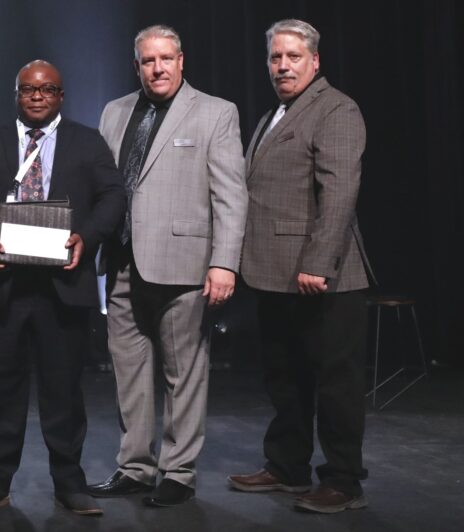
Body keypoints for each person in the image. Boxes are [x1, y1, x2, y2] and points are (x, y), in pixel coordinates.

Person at [0, 60, 125, 516]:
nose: (36, 96)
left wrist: (87, 237)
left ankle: (69, 483)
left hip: (63, 286)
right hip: (2, 286)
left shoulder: (87, 142)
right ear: (16, 94)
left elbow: (113, 195)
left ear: (61, 96)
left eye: (47, 89)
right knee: (0, 392)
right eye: (28, 89)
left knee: (64, 392)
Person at [87, 24, 247, 507]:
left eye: (166, 59)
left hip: (184, 265)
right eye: (147, 61)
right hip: (121, 262)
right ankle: (135, 466)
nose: (157, 68)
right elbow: (101, 185)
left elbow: (231, 195)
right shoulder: (114, 111)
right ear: (136, 66)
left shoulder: (216, 112)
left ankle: (178, 472)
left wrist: (224, 264)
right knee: (129, 374)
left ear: (182, 62)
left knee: (184, 374)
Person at [227, 19, 372, 514]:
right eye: (275, 58)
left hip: (322, 277)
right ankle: (288, 467)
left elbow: (340, 192)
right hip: (275, 271)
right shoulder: (277, 113)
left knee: (335, 383)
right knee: (286, 376)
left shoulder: (336, 108)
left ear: (314, 60)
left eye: (292, 56)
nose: (282, 66)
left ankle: (343, 481)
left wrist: (318, 263)